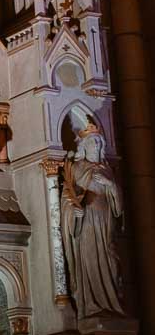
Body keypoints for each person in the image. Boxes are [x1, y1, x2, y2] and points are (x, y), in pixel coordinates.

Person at [61, 118, 125, 318]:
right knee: (90, 261)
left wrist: (110, 184)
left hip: (106, 222)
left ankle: (112, 303)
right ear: (84, 146)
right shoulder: (77, 168)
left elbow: (119, 207)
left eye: (98, 142)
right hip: (87, 222)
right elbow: (67, 196)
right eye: (92, 142)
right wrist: (74, 211)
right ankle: (92, 304)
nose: (96, 145)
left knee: (112, 261)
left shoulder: (106, 170)